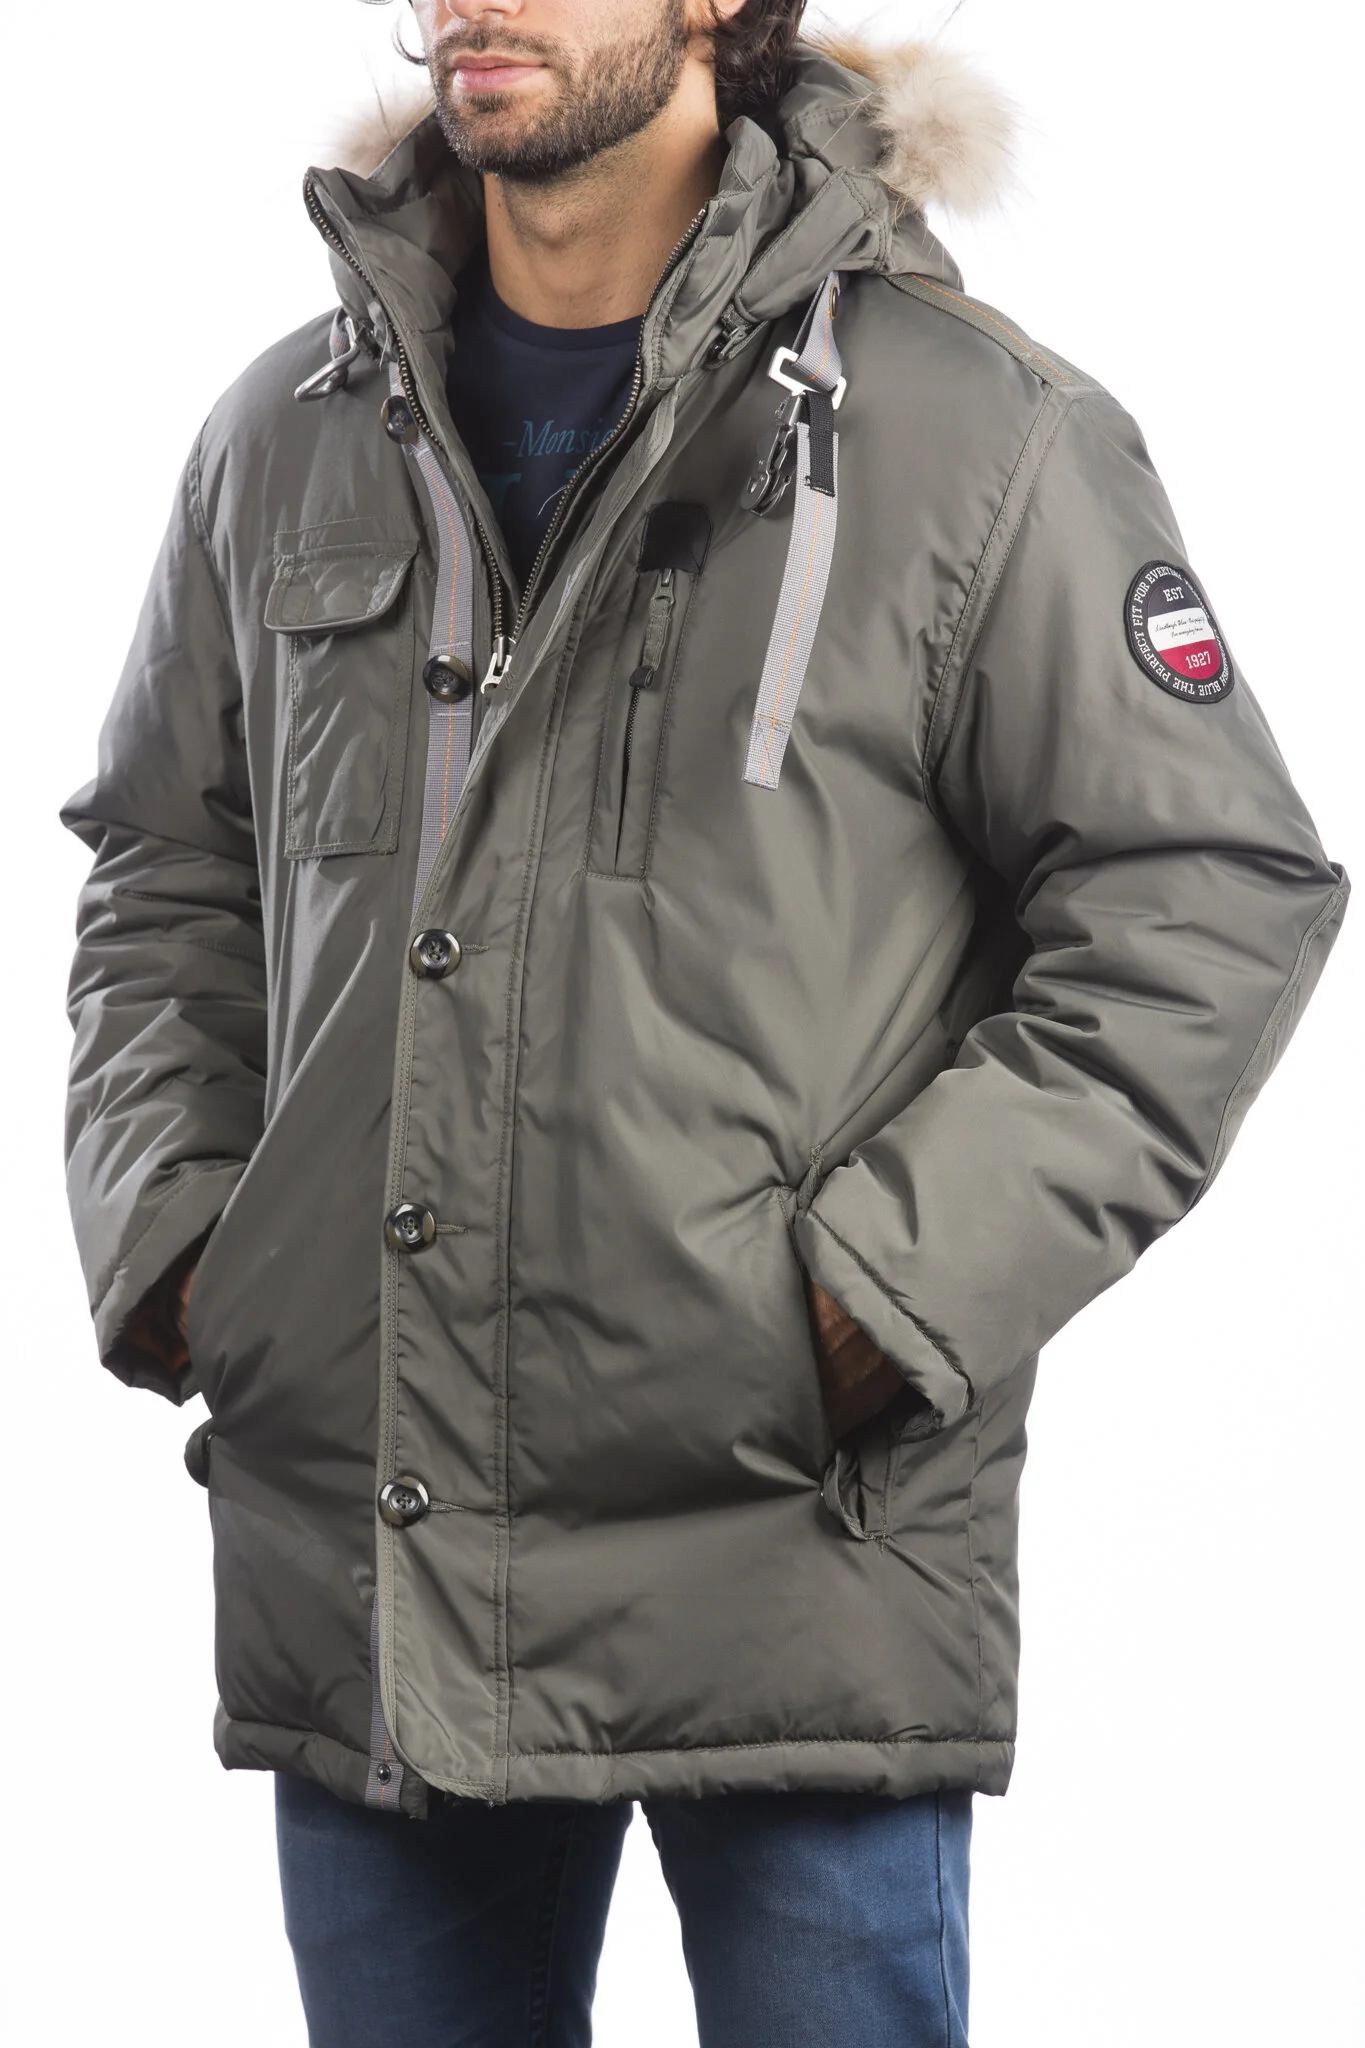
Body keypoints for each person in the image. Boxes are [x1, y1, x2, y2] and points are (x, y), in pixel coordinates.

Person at [59, 2, 1348, 2043]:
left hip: (791, 1549)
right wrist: (191, 1252)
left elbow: (1203, 891)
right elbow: (163, 865)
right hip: (378, 1554)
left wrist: (870, 1303)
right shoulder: (284, 432)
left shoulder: (974, 431)